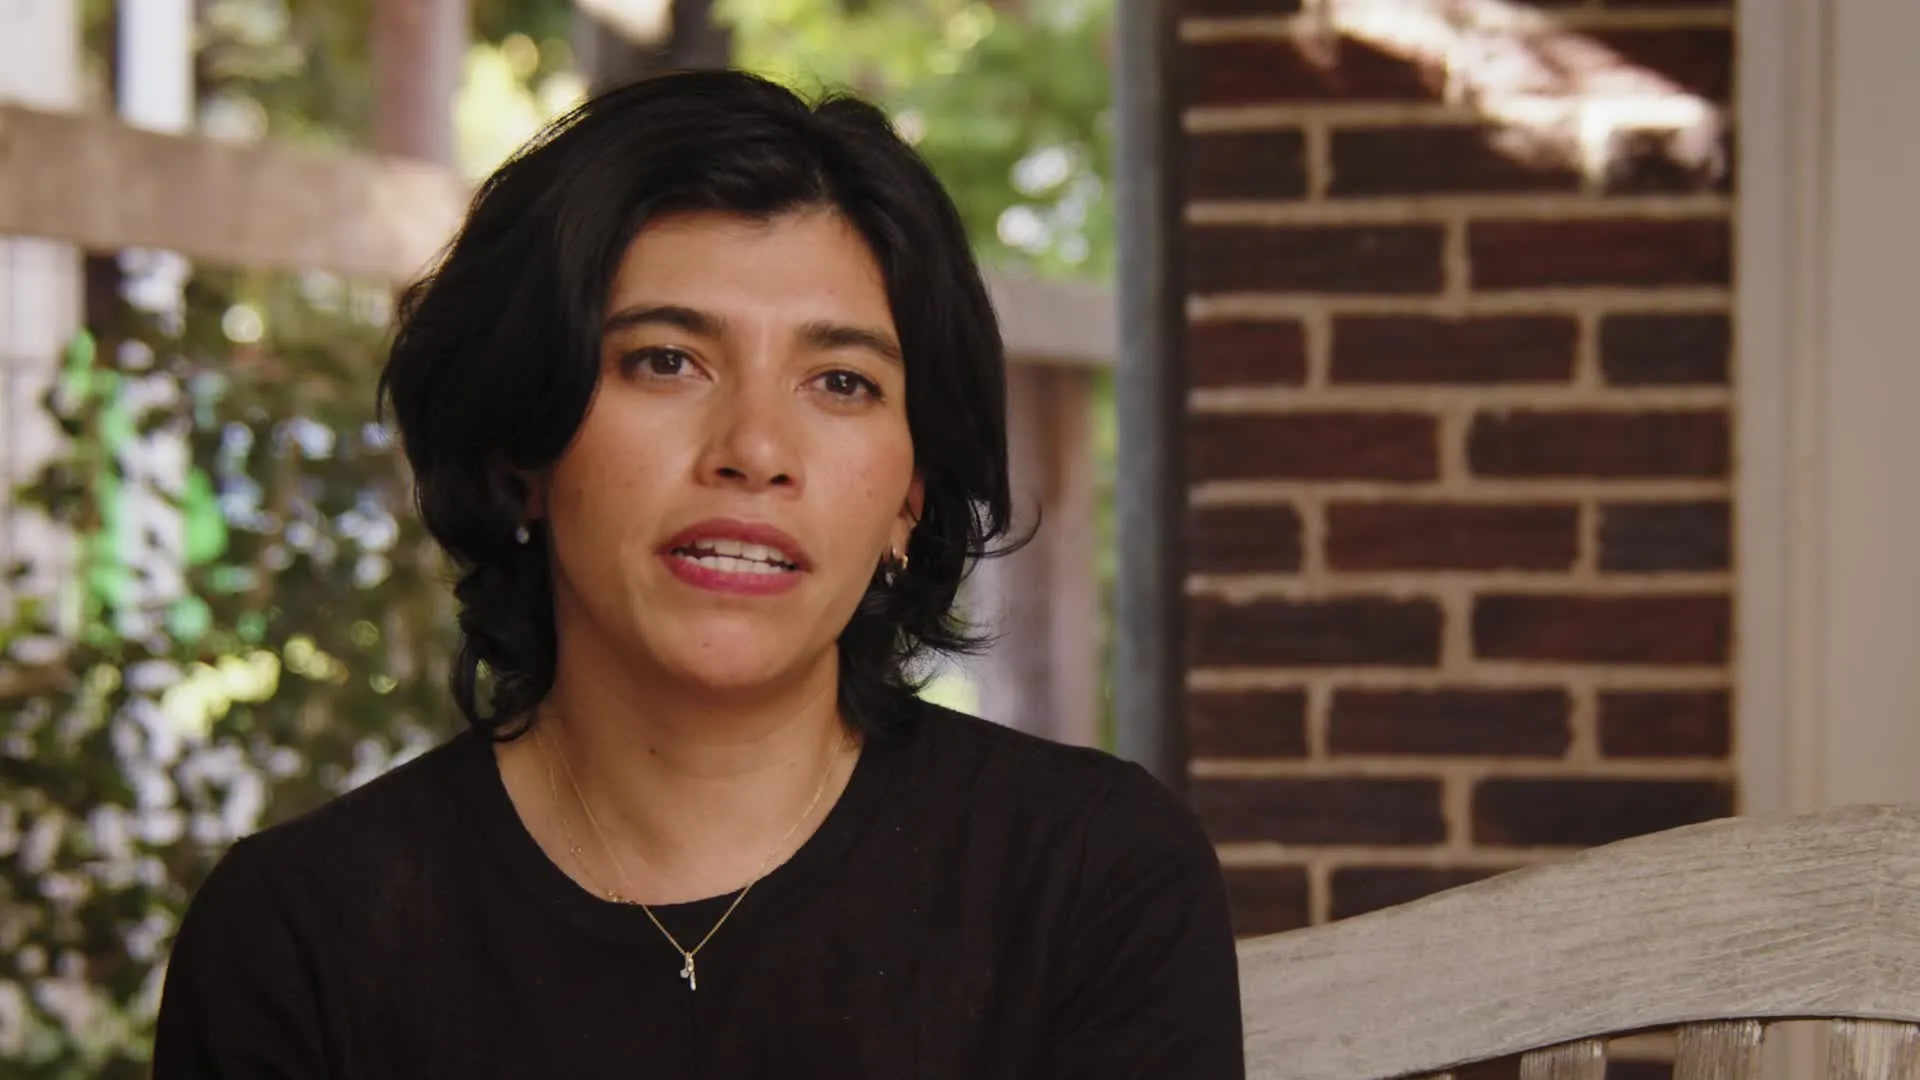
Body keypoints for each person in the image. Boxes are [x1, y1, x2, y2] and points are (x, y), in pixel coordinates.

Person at [151, 69, 1244, 1078]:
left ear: (911, 495)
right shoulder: (301, 938)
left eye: (842, 382)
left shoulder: (1090, 879)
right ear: (523, 449)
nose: (754, 447)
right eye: (666, 361)